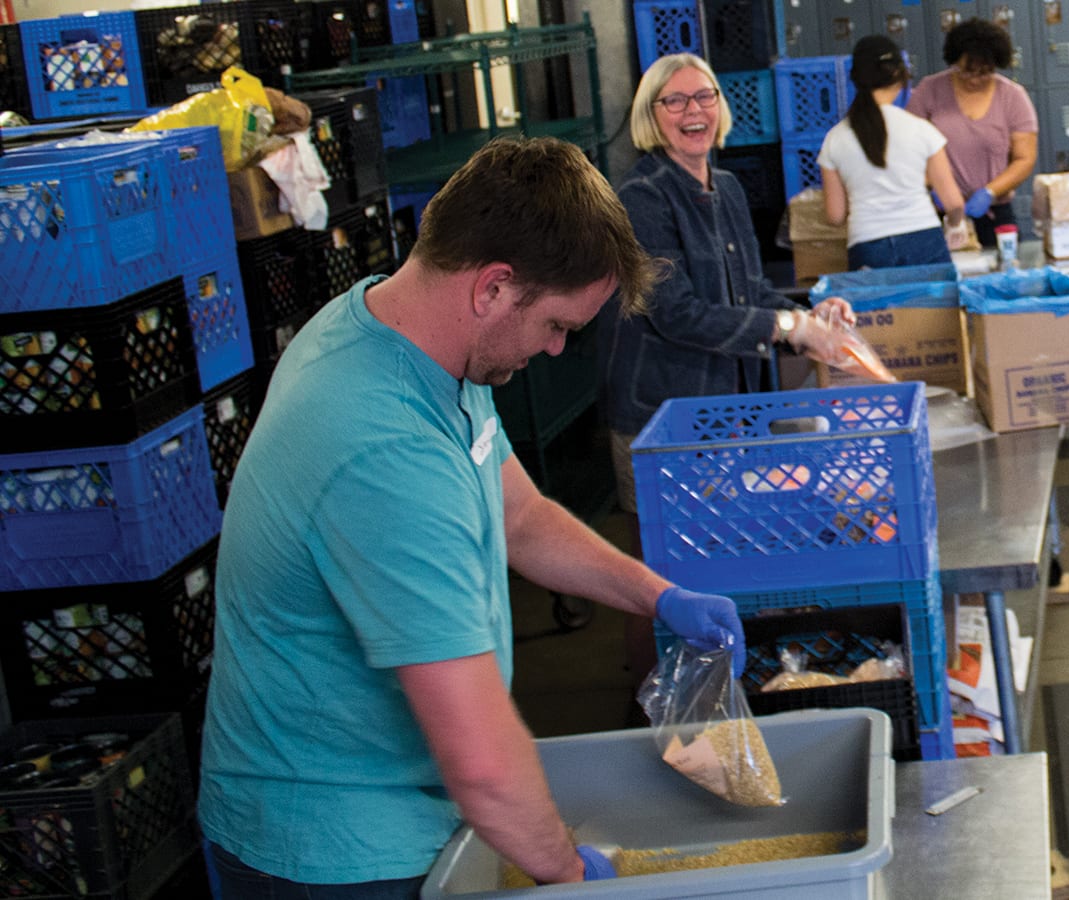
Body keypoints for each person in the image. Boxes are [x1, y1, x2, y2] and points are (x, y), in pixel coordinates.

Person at [199, 136, 748, 896]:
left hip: (412, 802)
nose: (557, 350)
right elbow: (483, 765)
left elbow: (518, 514)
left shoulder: (420, 339)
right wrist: (563, 869)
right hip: (335, 849)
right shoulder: (382, 449)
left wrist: (655, 596)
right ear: (493, 288)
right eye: (557, 326)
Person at [599, 54, 855, 672]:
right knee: (656, 575)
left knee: (718, 554)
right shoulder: (641, 198)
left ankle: (719, 684)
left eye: (704, 97)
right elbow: (677, 313)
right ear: (650, 116)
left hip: (725, 411)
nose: (694, 113)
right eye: (676, 101)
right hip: (660, 415)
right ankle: (650, 706)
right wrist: (788, 327)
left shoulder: (729, 185)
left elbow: (747, 293)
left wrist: (811, 316)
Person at [819, 35, 966, 269]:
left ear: (856, 79)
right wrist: (956, 225)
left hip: (866, 245)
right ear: (899, 74)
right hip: (923, 239)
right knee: (934, 307)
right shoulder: (921, 130)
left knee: (878, 308)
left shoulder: (834, 139)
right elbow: (954, 203)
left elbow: (835, 216)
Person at [907, 18, 1040, 248]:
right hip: (940, 212)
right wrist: (933, 185)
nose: (976, 79)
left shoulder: (1012, 96)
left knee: (1000, 276)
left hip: (994, 211)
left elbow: (1024, 158)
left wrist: (990, 192)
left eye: (985, 72)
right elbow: (908, 150)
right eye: (967, 71)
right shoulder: (929, 91)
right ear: (954, 60)